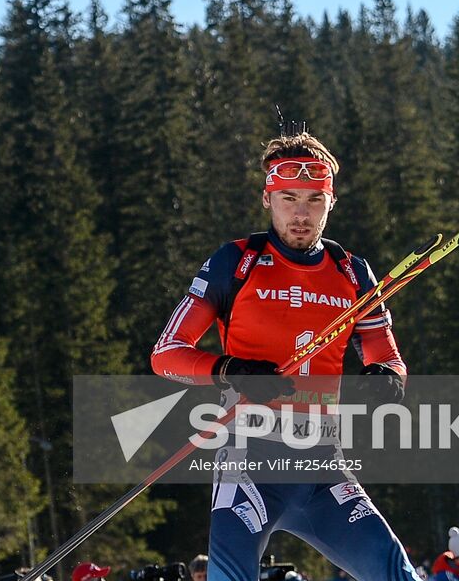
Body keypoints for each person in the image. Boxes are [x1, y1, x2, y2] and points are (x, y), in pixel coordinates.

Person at [150, 131, 414, 581]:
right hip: (249, 463)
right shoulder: (236, 261)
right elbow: (166, 355)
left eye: (314, 199)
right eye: (288, 197)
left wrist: (385, 380)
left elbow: (389, 360)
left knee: (396, 573)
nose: (301, 213)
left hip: (323, 468)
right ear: (267, 198)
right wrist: (231, 371)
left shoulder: (353, 272)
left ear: (330, 203)